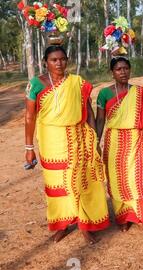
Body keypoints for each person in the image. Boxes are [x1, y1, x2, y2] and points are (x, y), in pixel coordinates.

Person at [24, 46, 109, 244]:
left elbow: (88, 112)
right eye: (54, 60)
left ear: (67, 60)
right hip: (51, 140)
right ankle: (61, 224)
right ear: (46, 61)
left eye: (62, 59)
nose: (59, 63)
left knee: (80, 181)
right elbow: (29, 117)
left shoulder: (77, 83)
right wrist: (29, 148)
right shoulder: (36, 84)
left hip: (78, 137)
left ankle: (84, 224)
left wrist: (95, 140)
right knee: (56, 184)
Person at [95, 57, 143, 236]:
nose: (123, 72)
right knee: (118, 181)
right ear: (112, 72)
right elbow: (100, 120)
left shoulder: (140, 93)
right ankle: (124, 217)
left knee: (140, 181)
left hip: (137, 139)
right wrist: (95, 143)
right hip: (114, 141)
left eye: (126, 69)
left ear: (130, 70)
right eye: (118, 69)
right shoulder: (104, 94)